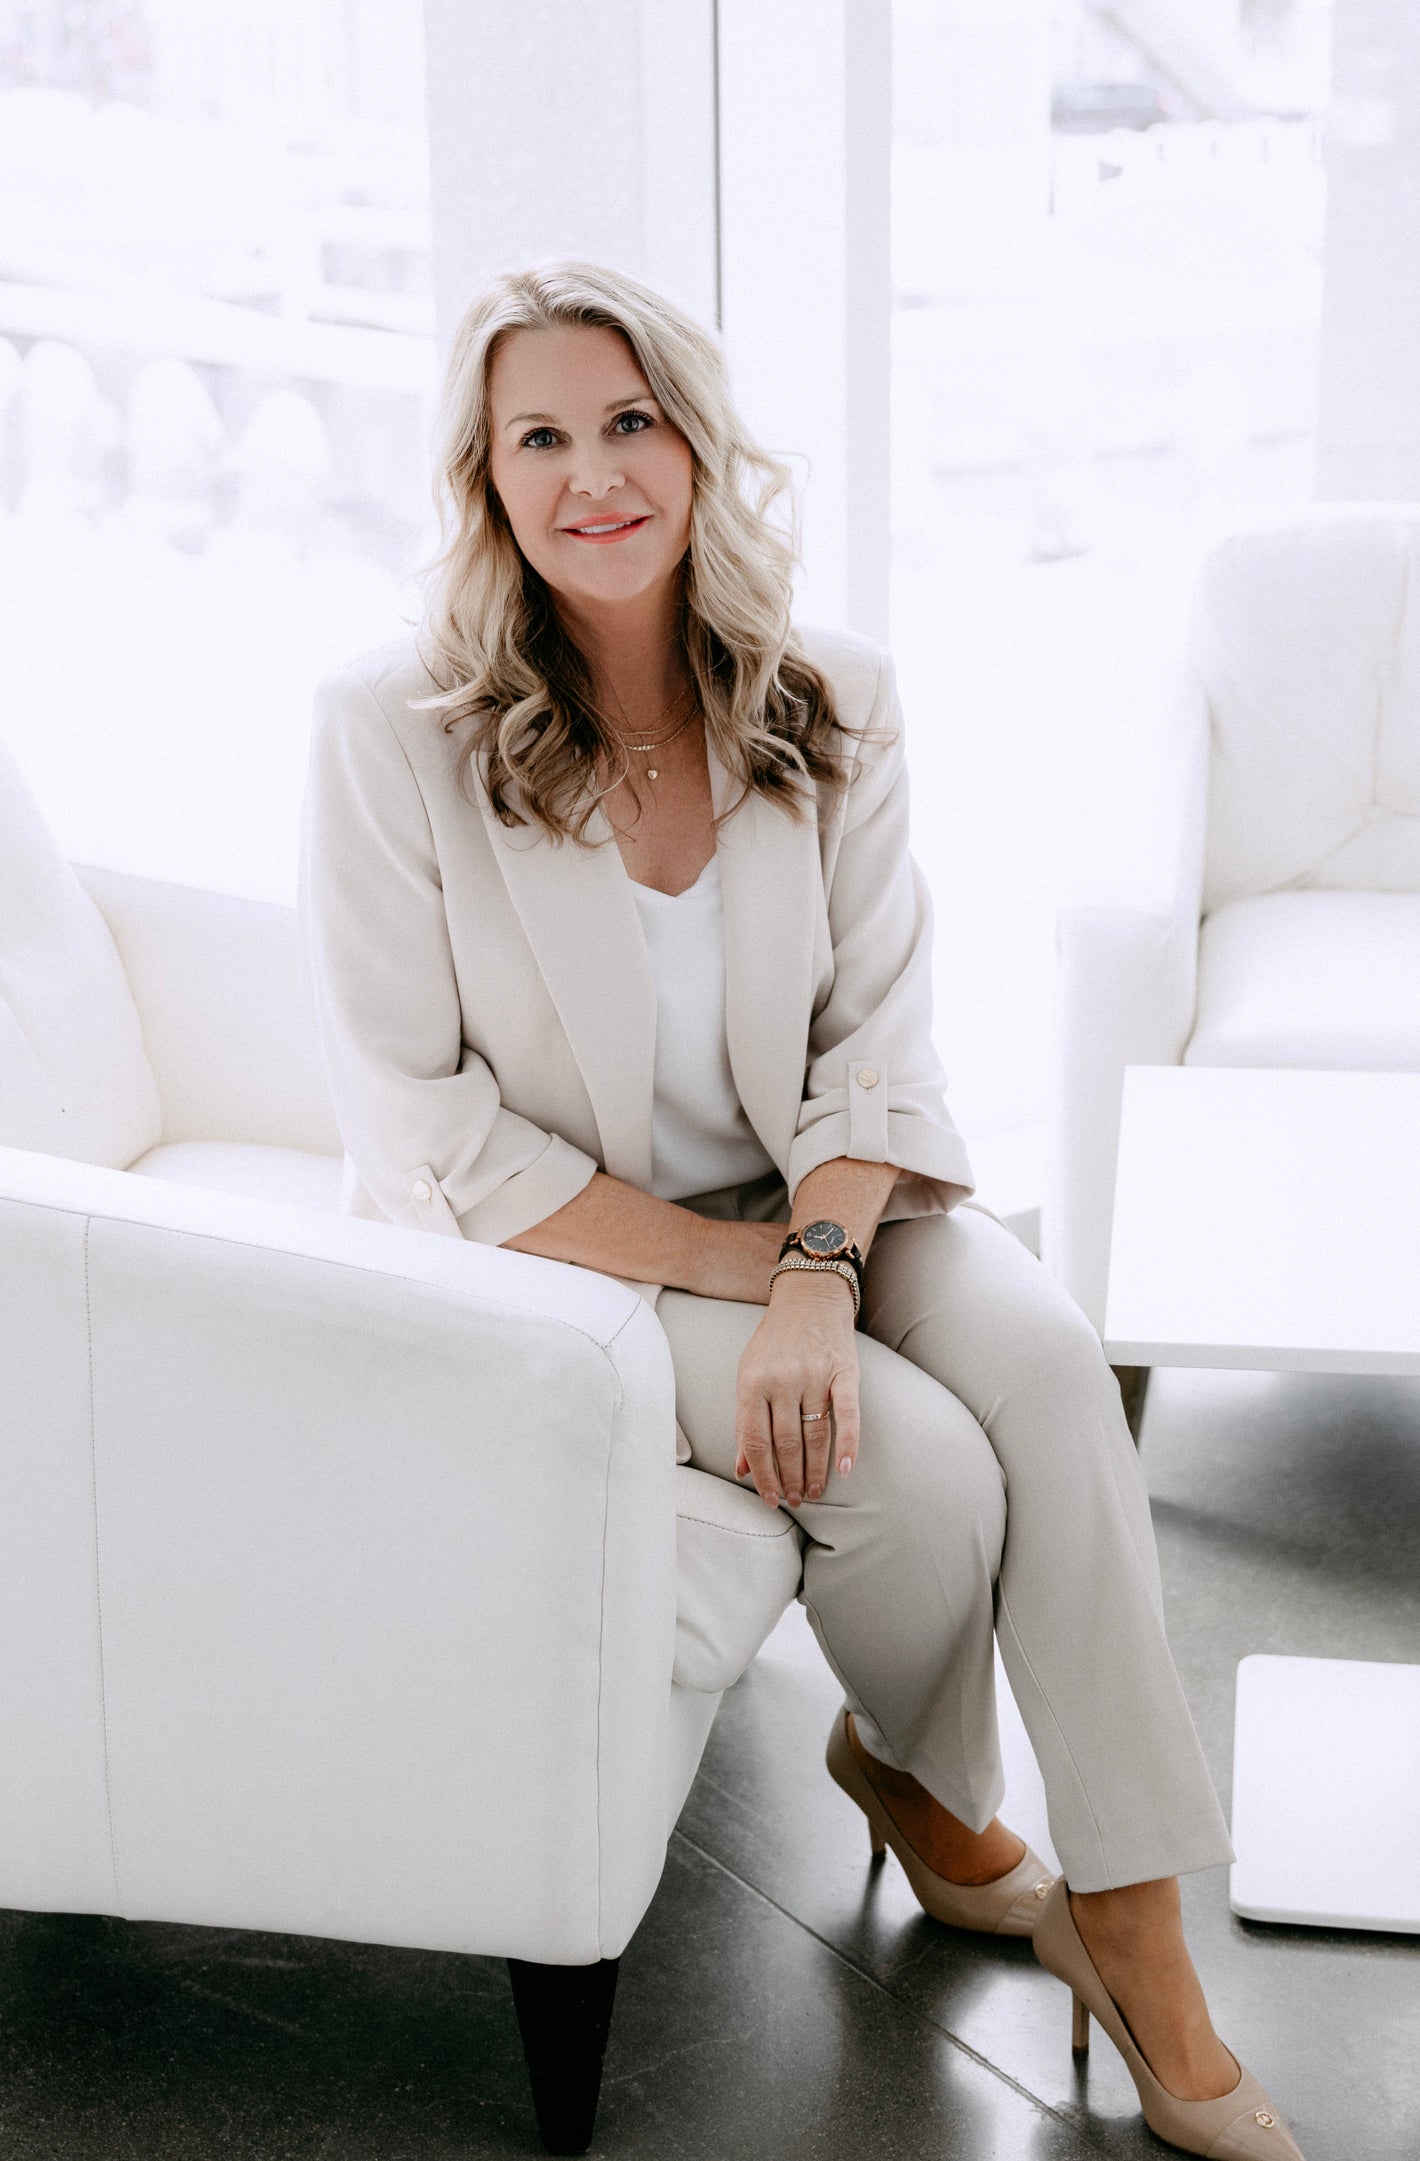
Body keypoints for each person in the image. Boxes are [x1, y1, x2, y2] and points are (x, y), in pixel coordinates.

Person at [296, 260, 1304, 2161]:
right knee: (905, 1470)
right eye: (541, 437)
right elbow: (422, 1126)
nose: (595, 473)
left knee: (1048, 1359)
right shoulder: (396, 731)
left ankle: (1136, 1921)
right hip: (551, 1250)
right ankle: (926, 1784)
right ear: (484, 481)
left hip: (808, 1199)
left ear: (693, 440)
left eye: (630, 421)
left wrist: (817, 1261)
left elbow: (877, 1038)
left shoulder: (829, 694)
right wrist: (747, 1277)